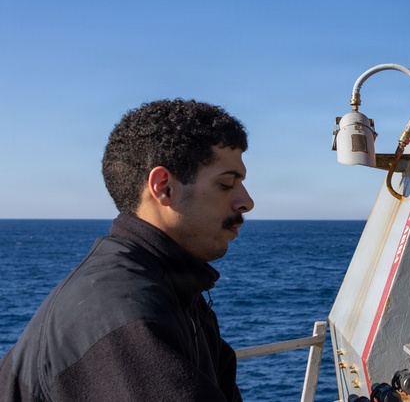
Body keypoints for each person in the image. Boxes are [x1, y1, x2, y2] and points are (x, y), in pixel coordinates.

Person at [0, 99, 253, 402]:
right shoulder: (124, 315)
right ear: (164, 186)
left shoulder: (180, 293)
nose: (246, 202)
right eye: (227, 184)